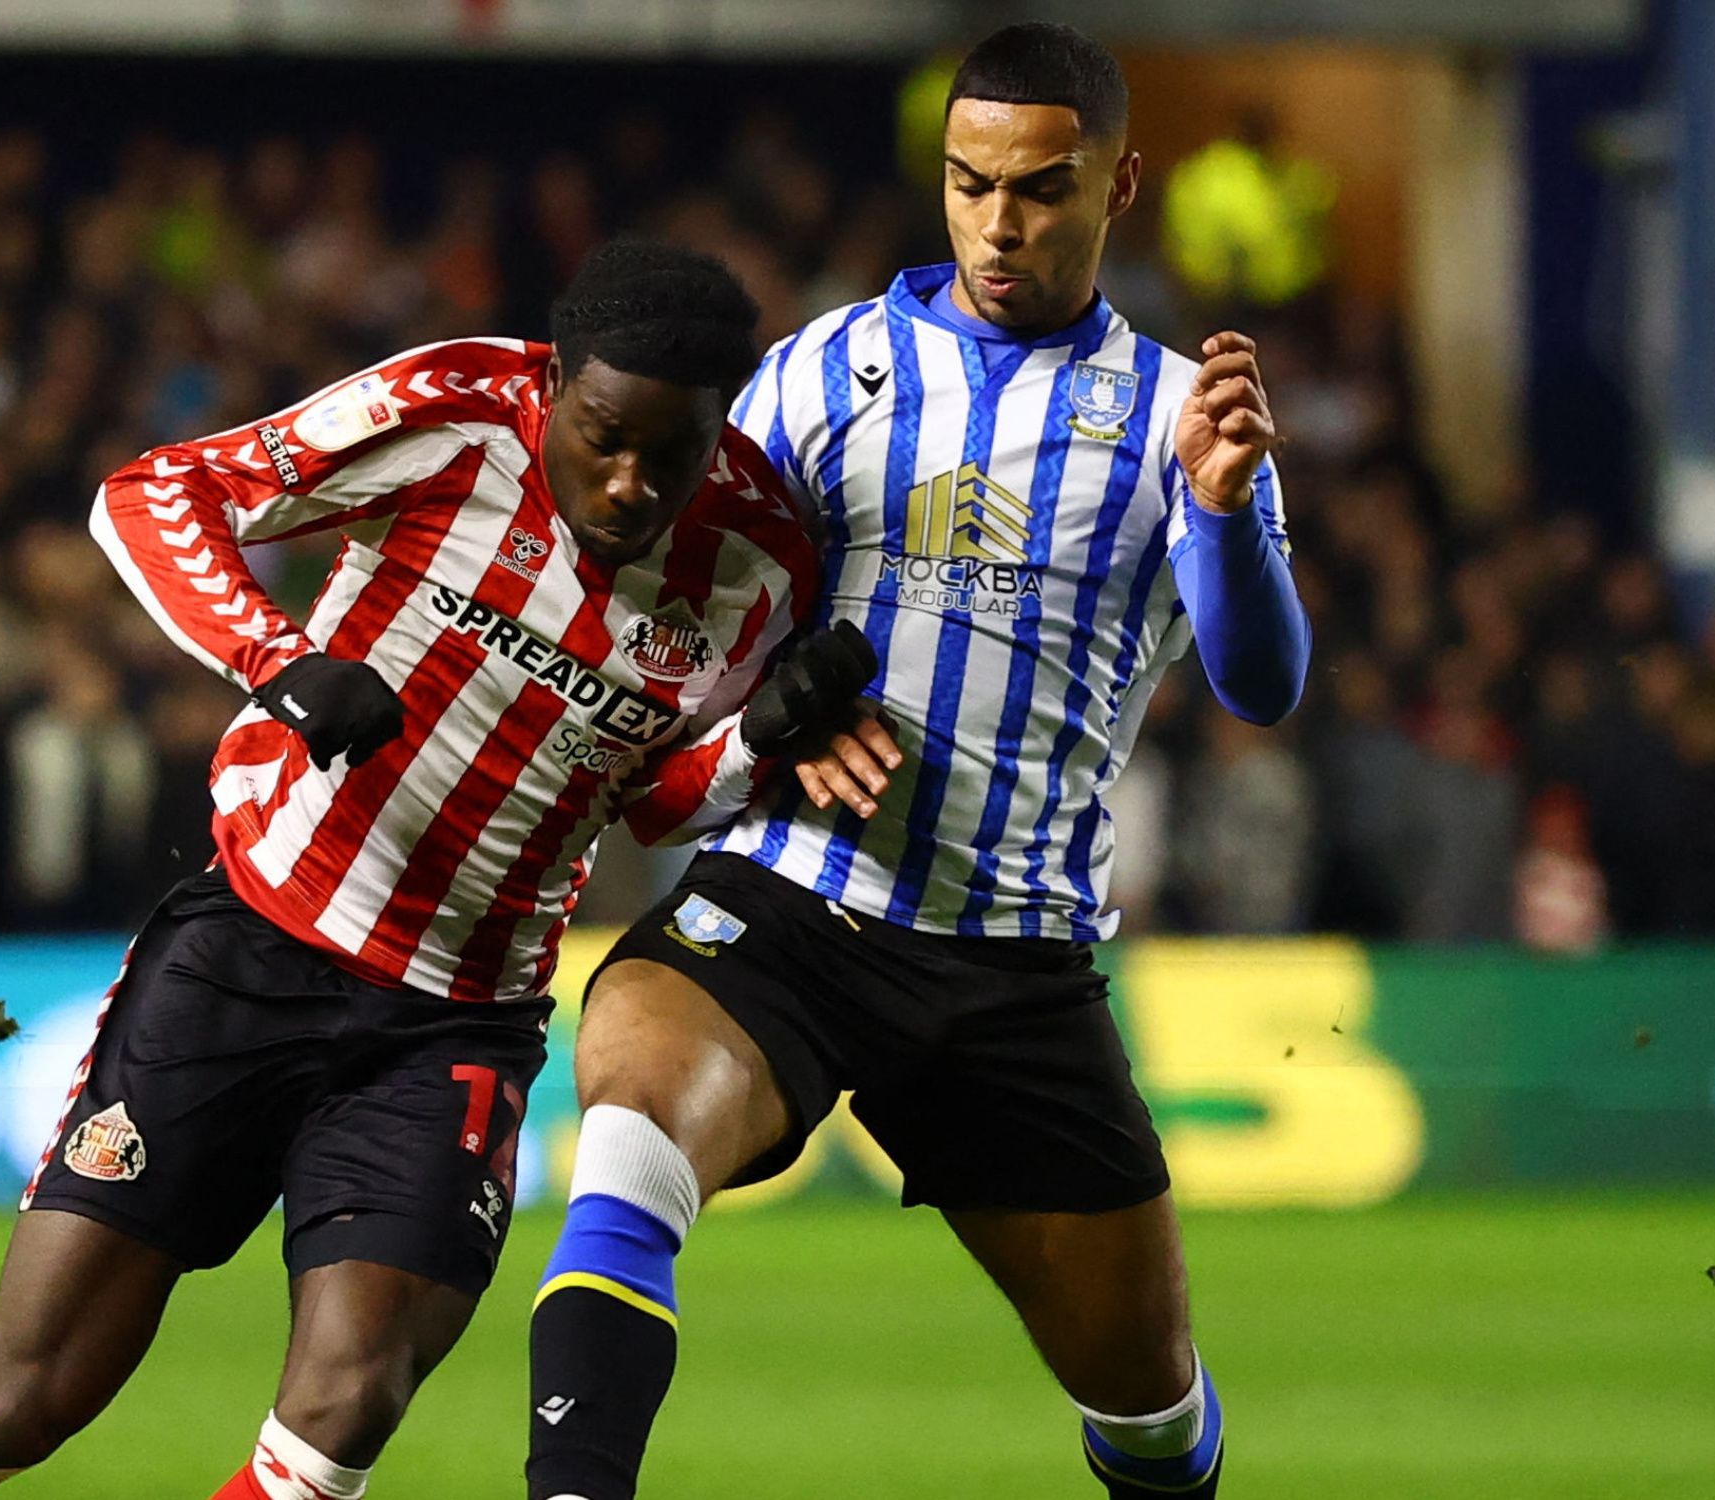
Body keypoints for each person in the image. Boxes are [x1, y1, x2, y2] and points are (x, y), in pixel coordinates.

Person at [0, 241, 883, 1500]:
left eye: (670, 456)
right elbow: (158, 492)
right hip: (254, 944)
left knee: (343, 1411)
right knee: (25, 1399)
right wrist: (278, 660)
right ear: (556, 381)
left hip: (454, 1022)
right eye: (603, 435)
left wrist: (753, 749)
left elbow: (645, 800)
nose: (627, 483)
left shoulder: (761, 560)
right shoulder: (450, 410)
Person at [523, 25, 1309, 1500]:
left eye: (1039, 190)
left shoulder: (1172, 415)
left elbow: (1264, 683)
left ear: (1118, 185)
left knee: (1148, 1409)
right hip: (789, 909)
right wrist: (770, 707)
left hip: (1011, 966)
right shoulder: (821, 372)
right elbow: (680, 611)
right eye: (968, 185)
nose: (998, 226)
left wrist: (1216, 510)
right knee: (630, 1125)